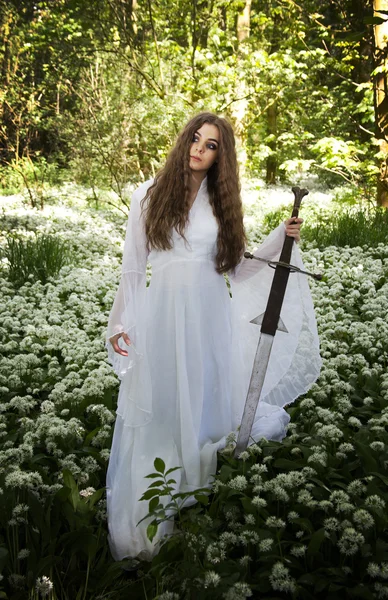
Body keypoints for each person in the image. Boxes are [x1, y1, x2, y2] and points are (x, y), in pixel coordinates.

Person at [106, 112, 321, 562]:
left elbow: (236, 269)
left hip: (209, 316)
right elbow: (132, 267)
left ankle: (197, 495)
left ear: (221, 157)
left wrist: (279, 238)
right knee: (164, 404)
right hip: (163, 315)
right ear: (184, 140)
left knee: (202, 401)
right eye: (196, 139)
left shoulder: (221, 204)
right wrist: (120, 322)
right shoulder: (147, 195)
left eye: (212, 145)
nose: (200, 149)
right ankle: (153, 502)